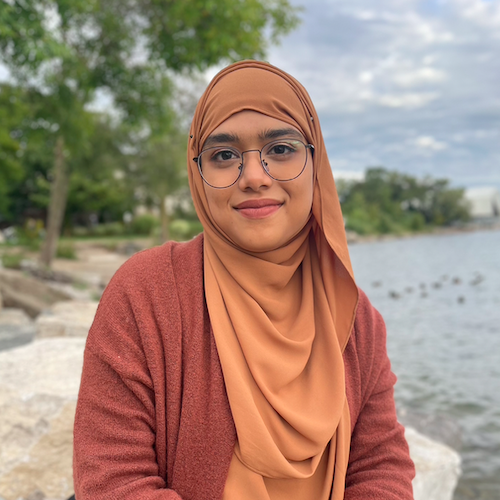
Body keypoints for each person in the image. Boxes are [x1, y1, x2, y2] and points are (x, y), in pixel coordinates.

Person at [73, 60, 415, 500]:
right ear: (198, 174)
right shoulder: (145, 295)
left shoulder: (355, 317)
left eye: (281, 149)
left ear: (316, 162)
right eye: (223, 156)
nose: (254, 177)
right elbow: (112, 478)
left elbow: (381, 464)